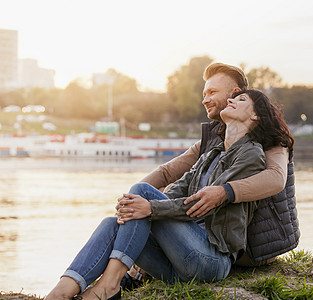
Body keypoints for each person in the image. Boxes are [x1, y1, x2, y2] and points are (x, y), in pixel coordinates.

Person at [45, 89, 294, 300]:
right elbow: (175, 190)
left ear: (255, 115)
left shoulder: (251, 155)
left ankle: (108, 285)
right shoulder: (211, 153)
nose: (231, 100)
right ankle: (63, 289)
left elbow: (204, 205)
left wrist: (150, 208)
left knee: (142, 194)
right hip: (178, 261)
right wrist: (135, 204)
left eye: (241, 100)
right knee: (113, 222)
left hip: (210, 259)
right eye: (232, 97)